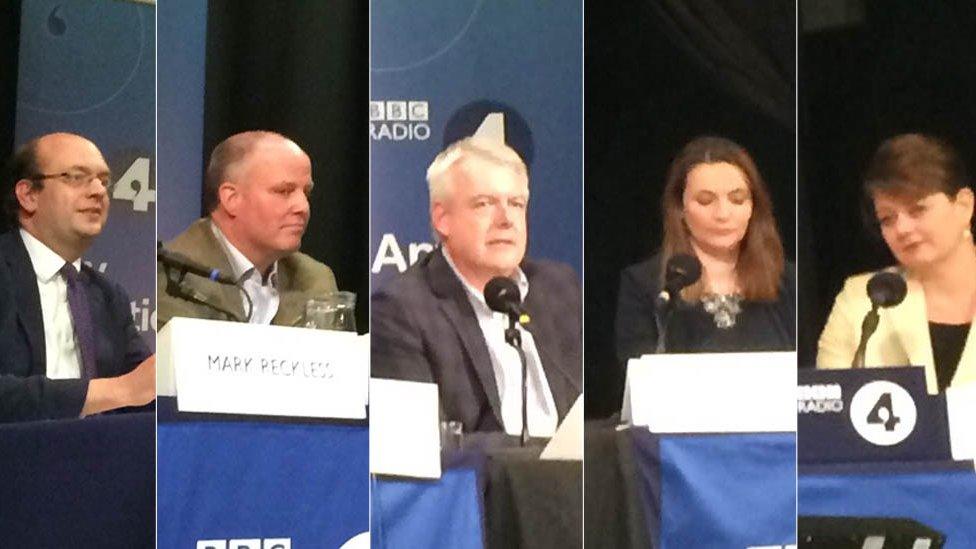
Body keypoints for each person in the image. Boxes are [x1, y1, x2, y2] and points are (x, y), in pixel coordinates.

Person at [371, 136, 582, 436]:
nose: (506, 220)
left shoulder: (560, 288)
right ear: (442, 219)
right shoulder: (401, 310)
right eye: (484, 204)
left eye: (516, 204)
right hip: (480, 481)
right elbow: (419, 445)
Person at [0, 133, 155, 422]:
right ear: (28, 195)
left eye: (104, 180)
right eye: (76, 177)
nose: (98, 190)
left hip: (91, 460)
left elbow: (146, 390)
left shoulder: (108, 296)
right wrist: (115, 391)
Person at [818, 134, 976, 393]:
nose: (902, 228)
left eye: (918, 210)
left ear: (964, 206)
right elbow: (833, 411)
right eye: (887, 219)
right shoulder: (863, 299)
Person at [615, 136, 795, 361]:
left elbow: (811, 381)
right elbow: (640, 381)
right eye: (706, 201)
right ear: (680, 209)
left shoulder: (788, 282)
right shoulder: (647, 286)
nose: (723, 214)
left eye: (737, 200)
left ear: (753, 208)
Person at [157, 131, 337, 328]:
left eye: (306, 193)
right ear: (231, 199)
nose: (303, 207)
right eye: (284, 191)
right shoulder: (172, 277)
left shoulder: (314, 279)